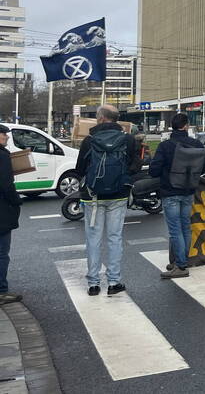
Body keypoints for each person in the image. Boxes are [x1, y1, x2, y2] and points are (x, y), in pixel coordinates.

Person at [73, 104, 140, 296]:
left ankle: (93, 284)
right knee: (114, 238)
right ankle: (113, 282)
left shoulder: (89, 140)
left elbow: (79, 169)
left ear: (101, 118)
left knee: (93, 239)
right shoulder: (128, 139)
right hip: (118, 195)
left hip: (92, 196)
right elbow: (135, 165)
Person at [148, 113, 203, 279]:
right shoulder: (196, 144)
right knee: (185, 227)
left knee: (175, 229)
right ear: (186, 126)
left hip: (170, 191)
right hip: (188, 191)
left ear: (172, 126)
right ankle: (182, 260)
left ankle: (180, 265)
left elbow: (154, 170)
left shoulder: (166, 146)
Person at [0, 125, 22, 304]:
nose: (7, 137)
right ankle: (1, 291)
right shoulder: (2, 156)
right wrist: (16, 201)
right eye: (3, 134)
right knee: (1, 252)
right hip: (1, 210)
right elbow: (7, 185)